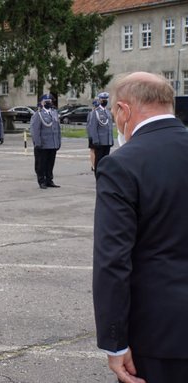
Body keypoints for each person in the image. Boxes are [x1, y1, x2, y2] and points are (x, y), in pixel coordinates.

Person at [93, 72, 188, 383]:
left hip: (160, 335)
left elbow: (113, 261)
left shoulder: (122, 164)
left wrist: (115, 341)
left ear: (125, 110)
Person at [29, 94, 61, 189]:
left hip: (53, 143)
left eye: (50, 101)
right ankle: (41, 180)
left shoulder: (54, 113)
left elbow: (58, 129)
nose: (48, 103)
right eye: (46, 102)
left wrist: (58, 141)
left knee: (50, 163)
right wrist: (37, 143)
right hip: (43, 144)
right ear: (42, 103)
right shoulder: (38, 114)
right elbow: (35, 130)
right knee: (41, 164)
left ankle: (49, 180)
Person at [87, 92, 113, 175]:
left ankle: (104, 177)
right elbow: (93, 128)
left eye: (106, 99)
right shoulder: (96, 112)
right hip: (100, 142)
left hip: (107, 141)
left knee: (106, 162)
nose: (105, 101)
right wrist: (95, 141)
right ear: (99, 100)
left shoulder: (108, 112)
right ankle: (98, 177)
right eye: (103, 99)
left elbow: (109, 128)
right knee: (98, 162)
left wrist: (111, 140)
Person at [87, 99, 99, 171]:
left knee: (93, 150)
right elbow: (89, 125)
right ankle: (93, 165)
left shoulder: (91, 113)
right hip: (93, 135)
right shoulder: (92, 113)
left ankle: (94, 165)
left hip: (94, 135)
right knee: (93, 150)